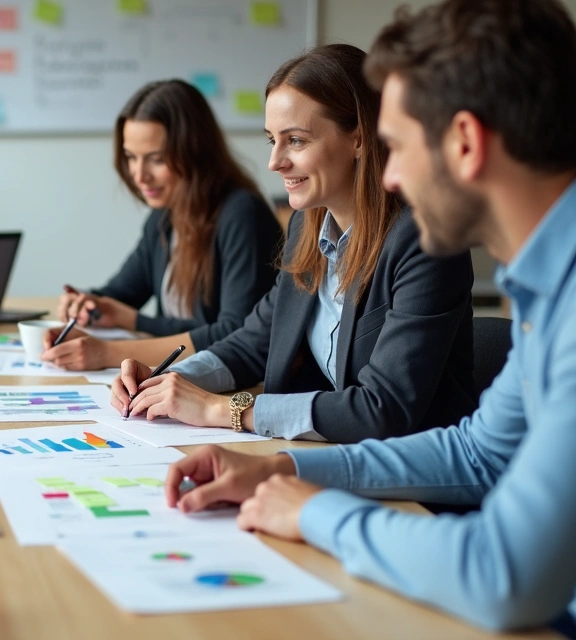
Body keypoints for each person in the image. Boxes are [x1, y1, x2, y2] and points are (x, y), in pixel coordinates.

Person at [163, 0, 576, 634]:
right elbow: (477, 454)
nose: (391, 175)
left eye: (398, 147)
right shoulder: (543, 287)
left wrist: (312, 513)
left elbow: (503, 576)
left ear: (465, 143)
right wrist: (283, 469)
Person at [111, 44, 477, 444]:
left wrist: (222, 410)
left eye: (296, 141)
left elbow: (383, 408)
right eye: (273, 140)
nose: (275, 162)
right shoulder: (308, 225)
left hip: (413, 469)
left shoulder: (423, 240)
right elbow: (254, 342)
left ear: (359, 138)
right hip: (335, 453)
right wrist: (165, 380)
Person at [46, 80, 282, 370]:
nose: (139, 175)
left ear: (195, 153)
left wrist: (117, 342)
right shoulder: (164, 218)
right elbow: (121, 294)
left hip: (235, 386)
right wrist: (86, 303)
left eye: (156, 159)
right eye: (131, 157)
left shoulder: (242, 213)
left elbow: (236, 334)